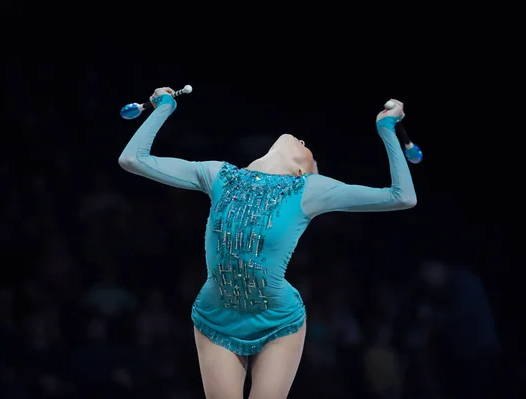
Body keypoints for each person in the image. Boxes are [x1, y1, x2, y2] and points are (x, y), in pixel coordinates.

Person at [119, 87, 417, 398]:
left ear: (301, 170)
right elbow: (132, 159)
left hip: (278, 321)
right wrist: (164, 108)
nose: (303, 142)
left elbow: (403, 197)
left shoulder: (308, 188)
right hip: (216, 319)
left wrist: (386, 129)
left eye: (308, 149)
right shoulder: (217, 174)